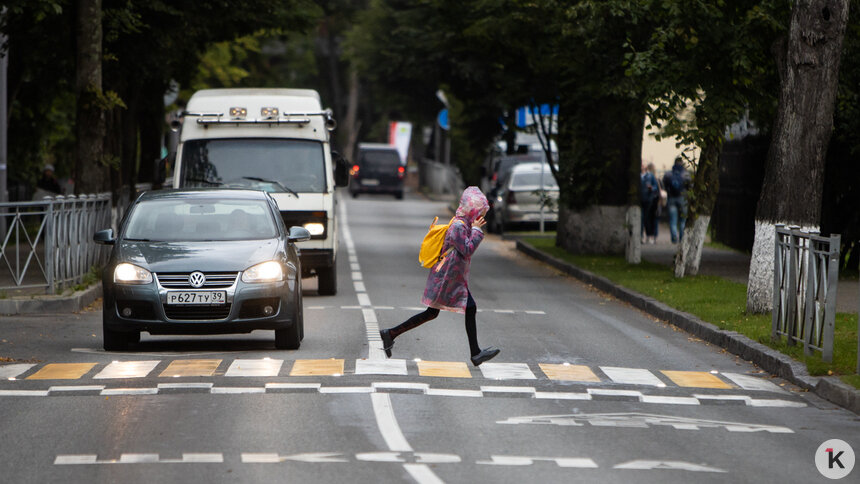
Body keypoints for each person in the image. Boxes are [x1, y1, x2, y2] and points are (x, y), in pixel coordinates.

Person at [379, 186, 500, 366]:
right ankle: (475, 353)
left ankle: (390, 334)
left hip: (452, 275)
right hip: (449, 277)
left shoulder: (461, 223)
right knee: (468, 308)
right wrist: (477, 231)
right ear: (472, 210)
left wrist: (473, 228)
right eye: (479, 212)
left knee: (432, 313)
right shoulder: (459, 226)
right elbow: (467, 250)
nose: (480, 216)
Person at [662, 156, 690, 243]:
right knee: (683, 220)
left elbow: (664, 185)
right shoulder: (686, 174)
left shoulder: (668, 174)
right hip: (683, 199)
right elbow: (690, 186)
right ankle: (682, 238)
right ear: (682, 163)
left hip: (671, 198)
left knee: (673, 220)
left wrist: (668, 191)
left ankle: (674, 238)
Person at [640, 163, 659, 244]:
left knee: (647, 218)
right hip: (640, 200)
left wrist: (652, 188)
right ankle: (640, 236)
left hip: (648, 200)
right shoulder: (638, 176)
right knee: (640, 218)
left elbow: (656, 187)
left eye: (643, 164)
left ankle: (649, 235)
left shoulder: (650, 176)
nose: (642, 166)